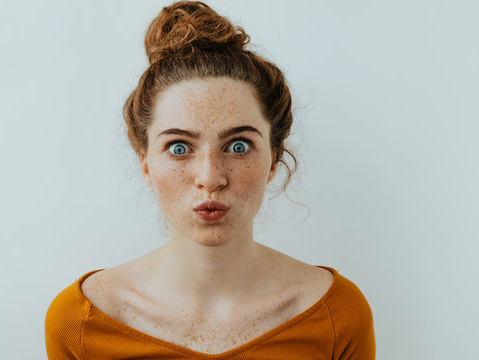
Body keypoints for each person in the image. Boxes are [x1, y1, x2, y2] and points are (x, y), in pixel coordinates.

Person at [44, 1, 375, 358]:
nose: (210, 177)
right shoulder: (80, 322)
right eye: (179, 148)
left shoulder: (336, 314)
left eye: (237, 145)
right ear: (145, 163)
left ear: (274, 159)